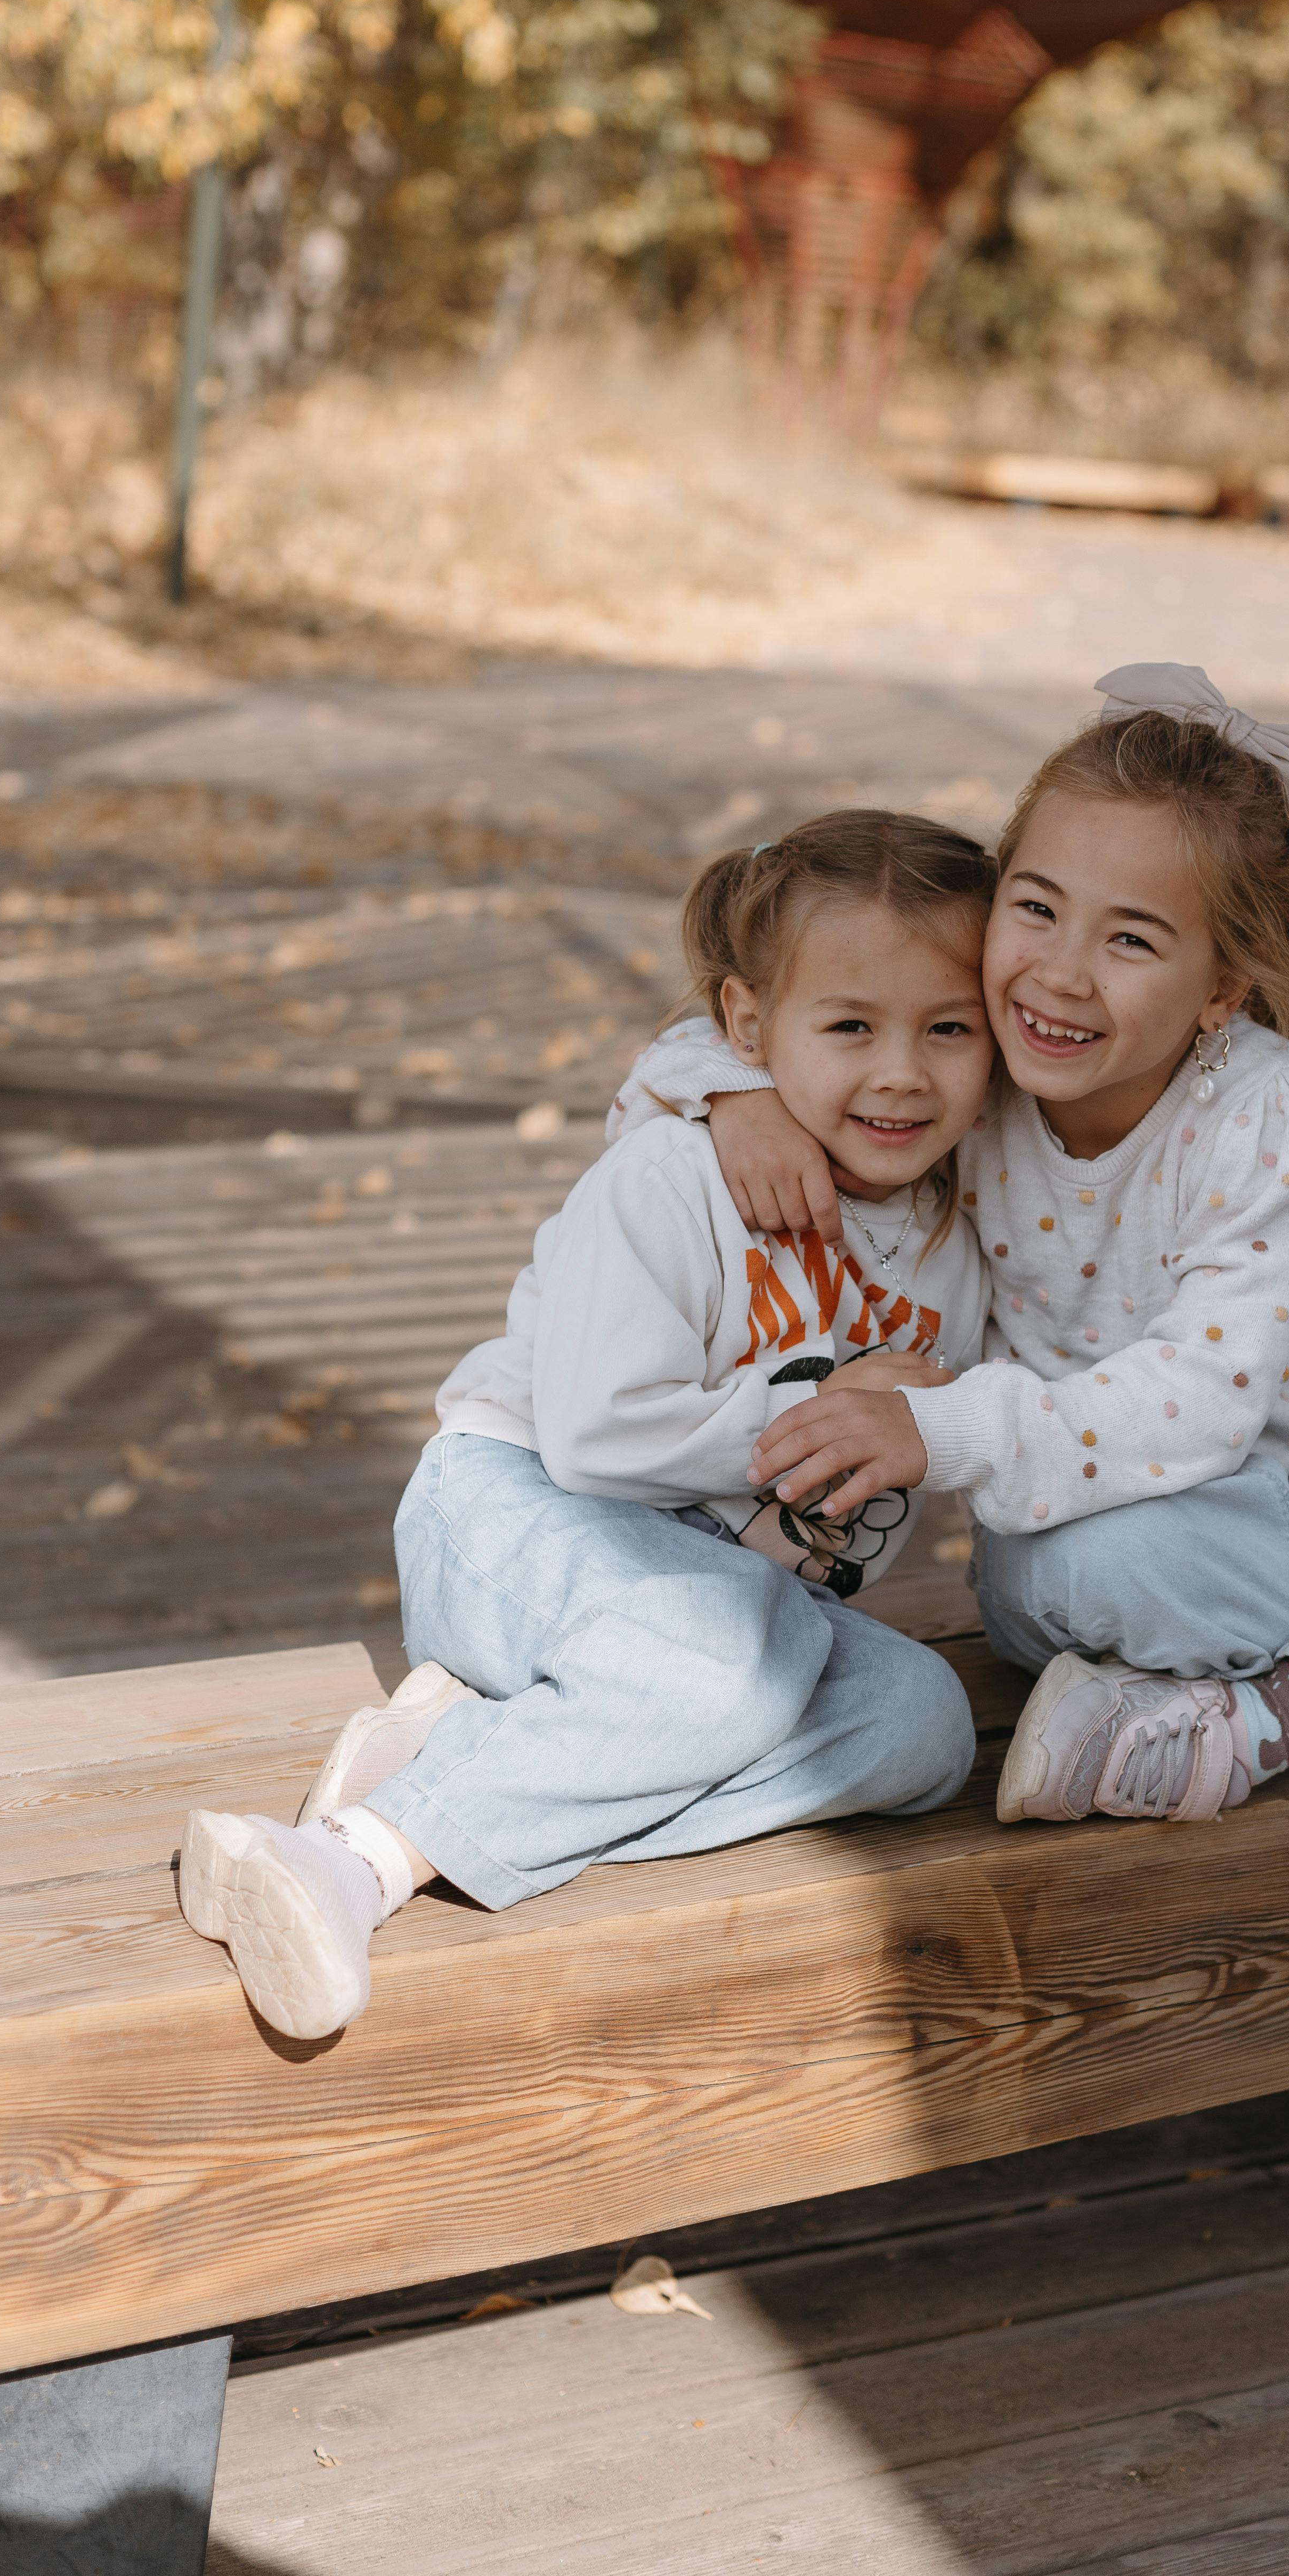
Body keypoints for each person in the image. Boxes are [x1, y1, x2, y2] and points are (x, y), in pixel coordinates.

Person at [617, 663, 1289, 1829]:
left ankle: (1285, 1716)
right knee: (1086, 1568)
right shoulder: (961, 1072)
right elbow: (711, 1044)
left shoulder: (1269, 1121)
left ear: (1223, 983)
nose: (1062, 974)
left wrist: (936, 1428)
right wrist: (739, 1094)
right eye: (1035, 908)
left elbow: (1201, 1407)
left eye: (1132, 940)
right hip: (1110, 1530)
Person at [179, 809, 994, 2038]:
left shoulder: (954, 1250)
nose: (902, 1072)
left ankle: (481, 1759)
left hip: (719, 1608)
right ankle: (350, 1862)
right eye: (850, 1027)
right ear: (747, 1028)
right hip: (517, 1513)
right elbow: (599, 1435)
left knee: (922, 1729)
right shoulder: (678, 1176)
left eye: (949, 1029)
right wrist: (837, 1413)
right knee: (726, 1662)